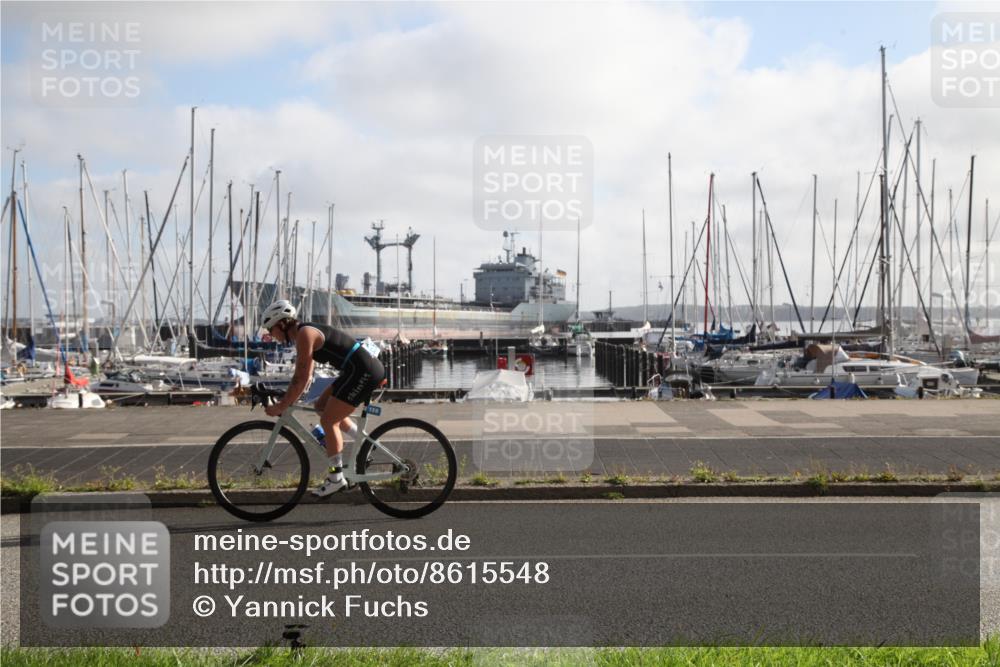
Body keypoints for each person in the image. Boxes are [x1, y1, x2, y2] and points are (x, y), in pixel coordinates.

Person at [259, 300, 386, 496]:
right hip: (357, 370)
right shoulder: (304, 333)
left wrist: (282, 405)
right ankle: (363, 444)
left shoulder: (304, 334)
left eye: (271, 329)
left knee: (328, 420)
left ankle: (336, 478)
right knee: (321, 406)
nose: (271, 335)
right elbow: (306, 375)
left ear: (282, 324)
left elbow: (300, 378)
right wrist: (288, 398)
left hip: (363, 371)